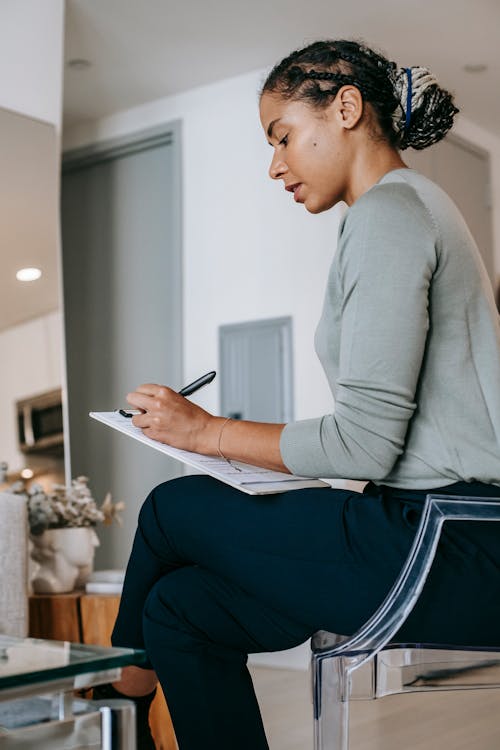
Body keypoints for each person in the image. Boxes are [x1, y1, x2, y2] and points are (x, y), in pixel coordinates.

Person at [93, 39, 500, 749]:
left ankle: (124, 694)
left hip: (451, 541)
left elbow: (366, 441)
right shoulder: (386, 215)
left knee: (170, 508)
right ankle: (131, 685)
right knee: (180, 608)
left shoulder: (392, 213)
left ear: (346, 108)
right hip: (429, 530)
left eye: (282, 136)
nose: (274, 163)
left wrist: (204, 433)